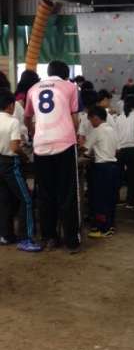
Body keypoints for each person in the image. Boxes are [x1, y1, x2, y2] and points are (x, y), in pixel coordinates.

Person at [24, 60, 81, 254]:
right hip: (64, 144)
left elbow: (27, 117)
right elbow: (75, 119)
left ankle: (49, 237)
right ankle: (71, 240)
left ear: (48, 72)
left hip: (41, 146)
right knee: (68, 192)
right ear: (65, 74)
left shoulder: (33, 89)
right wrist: (73, 134)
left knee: (45, 193)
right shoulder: (70, 87)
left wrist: (35, 132)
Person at [0, 90, 42, 251]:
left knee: (5, 200)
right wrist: (24, 156)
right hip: (10, 164)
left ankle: (5, 235)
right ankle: (26, 238)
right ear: (11, 105)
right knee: (26, 200)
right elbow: (14, 147)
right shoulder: (13, 122)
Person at [85, 106, 119, 238]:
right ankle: (110, 225)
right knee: (110, 198)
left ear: (95, 118)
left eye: (90, 120)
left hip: (101, 168)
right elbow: (117, 149)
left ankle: (102, 228)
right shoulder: (112, 130)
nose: (90, 123)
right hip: (113, 166)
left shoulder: (97, 131)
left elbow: (86, 150)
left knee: (100, 199)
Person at [116, 95, 134, 209]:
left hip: (120, 150)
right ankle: (130, 202)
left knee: (118, 176)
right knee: (133, 177)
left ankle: (117, 200)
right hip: (133, 150)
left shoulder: (118, 118)